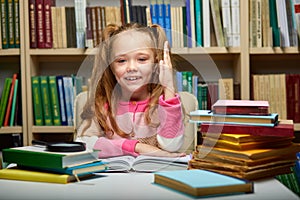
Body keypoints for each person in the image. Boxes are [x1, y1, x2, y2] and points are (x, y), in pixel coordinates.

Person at [76, 23, 186, 158]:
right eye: (121, 61)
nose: (132, 67)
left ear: (156, 63)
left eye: (142, 59)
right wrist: (137, 147)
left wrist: (168, 87)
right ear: (110, 67)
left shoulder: (164, 104)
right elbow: (83, 143)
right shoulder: (102, 106)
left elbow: (172, 145)